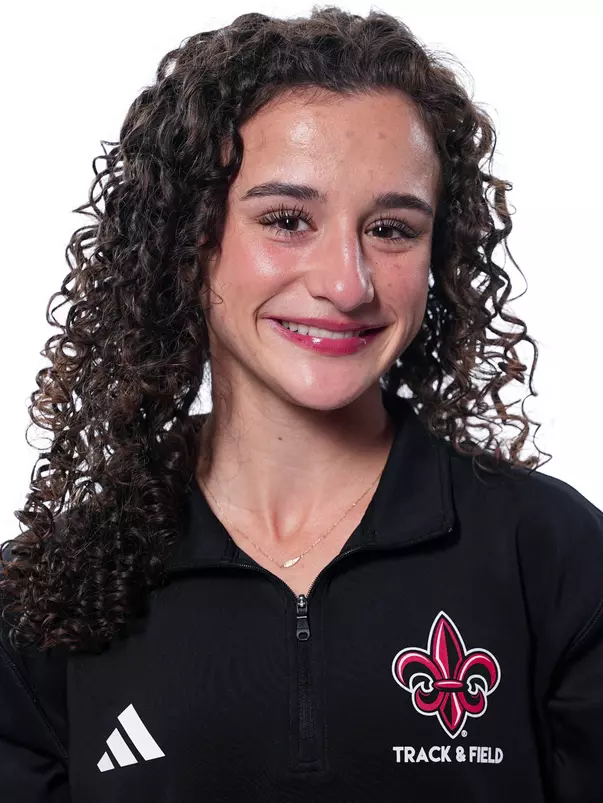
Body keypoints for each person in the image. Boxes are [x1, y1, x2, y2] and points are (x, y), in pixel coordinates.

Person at [1, 6, 602, 802]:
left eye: (390, 228)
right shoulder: (51, 594)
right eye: (286, 220)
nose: (346, 283)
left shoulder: (552, 553)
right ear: (190, 237)